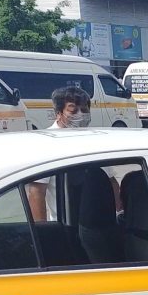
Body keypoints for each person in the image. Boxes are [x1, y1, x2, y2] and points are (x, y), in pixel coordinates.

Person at [27, 86, 94, 221]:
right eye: (73, 110)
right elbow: (37, 193)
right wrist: (43, 234)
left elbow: (110, 180)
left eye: (84, 110)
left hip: (97, 226)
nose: (80, 115)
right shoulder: (47, 144)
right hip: (67, 226)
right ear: (58, 113)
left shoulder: (93, 141)